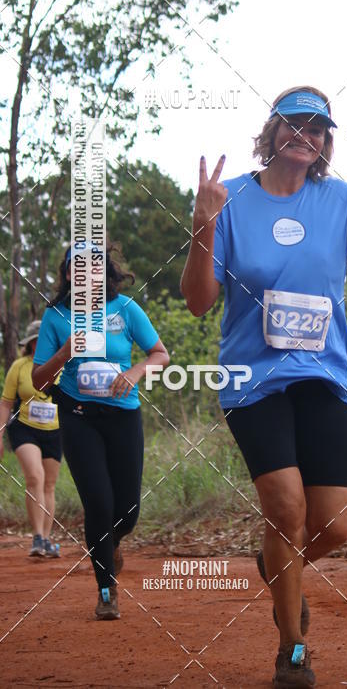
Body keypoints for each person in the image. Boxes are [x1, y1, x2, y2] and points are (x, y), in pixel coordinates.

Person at [181, 86, 347, 687]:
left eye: (318, 129)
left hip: (324, 376)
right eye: (294, 124)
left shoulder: (337, 199)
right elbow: (197, 302)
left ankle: (274, 567)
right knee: (285, 507)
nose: (305, 135)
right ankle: (292, 648)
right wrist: (203, 225)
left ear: (325, 143)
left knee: (334, 526)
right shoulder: (231, 197)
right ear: (273, 131)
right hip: (252, 378)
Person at [31, 242, 169, 620]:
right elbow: (39, 380)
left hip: (123, 415)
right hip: (78, 417)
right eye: (75, 269)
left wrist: (136, 371)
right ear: (68, 276)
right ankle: (106, 589)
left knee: (127, 512)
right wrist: (63, 355)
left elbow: (160, 353)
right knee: (99, 502)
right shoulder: (56, 317)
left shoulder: (124, 309)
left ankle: (112, 545)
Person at [0, 320, 61, 558]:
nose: (39, 344)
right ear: (30, 344)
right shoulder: (20, 366)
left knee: (49, 484)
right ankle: (36, 537)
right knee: (35, 477)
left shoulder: (63, 365)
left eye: (43, 339)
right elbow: (5, 402)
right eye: (36, 340)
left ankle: (46, 539)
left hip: (55, 430)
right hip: (24, 428)